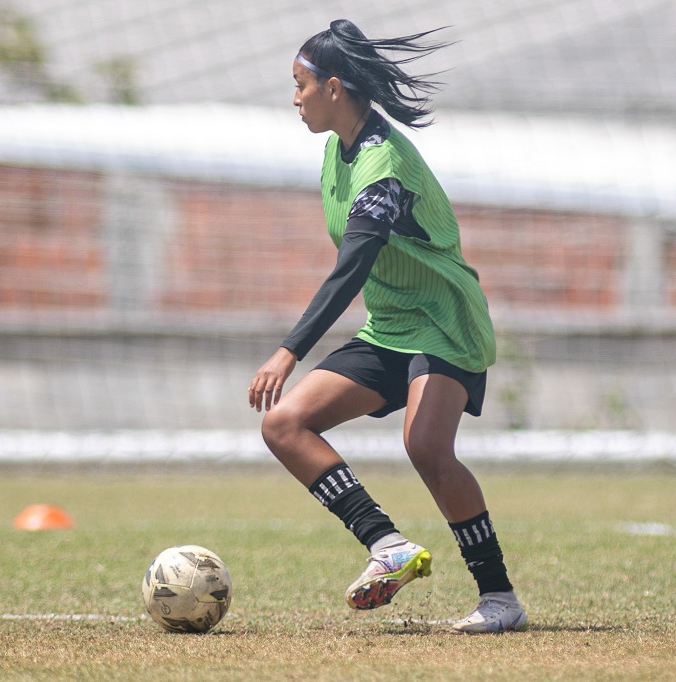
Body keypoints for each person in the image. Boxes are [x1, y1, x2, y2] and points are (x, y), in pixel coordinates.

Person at [248, 19, 528, 634]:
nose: (294, 97)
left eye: (300, 85)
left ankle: (500, 599)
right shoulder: (335, 150)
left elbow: (352, 267)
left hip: (444, 321)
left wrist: (288, 351)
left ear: (334, 88)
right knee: (285, 424)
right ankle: (387, 546)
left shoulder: (383, 165)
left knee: (426, 445)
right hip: (391, 327)